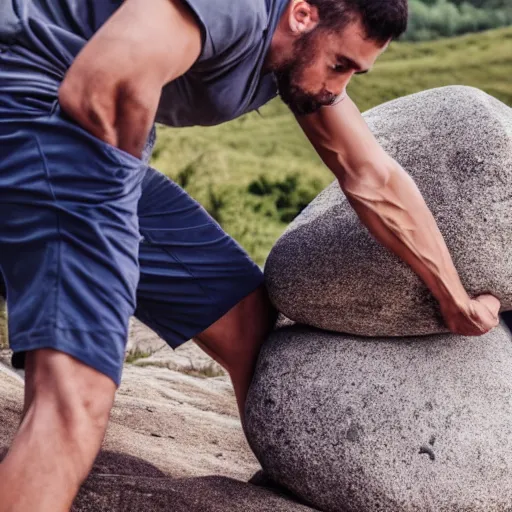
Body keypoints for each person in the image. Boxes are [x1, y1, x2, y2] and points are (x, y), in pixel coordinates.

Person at [0, 0, 501, 510]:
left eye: (355, 71)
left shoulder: (292, 60)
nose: (339, 86)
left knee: (242, 313)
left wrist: (453, 297)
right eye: (340, 64)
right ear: (303, 14)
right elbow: (102, 84)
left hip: (90, 139)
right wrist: (104, 235)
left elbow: (372, 177)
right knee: (76, 400)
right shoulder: (235, 6)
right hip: (37, 113)